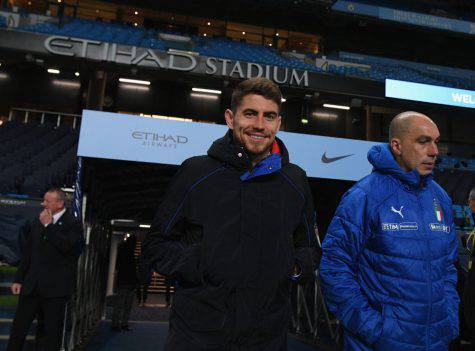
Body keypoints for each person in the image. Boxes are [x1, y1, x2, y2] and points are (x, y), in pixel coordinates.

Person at [144, 77, 319, 351]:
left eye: (269, 116)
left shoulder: (296, 181)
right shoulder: (195, 172)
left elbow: (308, 247)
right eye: (250, 114)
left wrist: (293, 268)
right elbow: (157, 244)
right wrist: (203, 263)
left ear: (278, 124)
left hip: (267, 337)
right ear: (230, 118)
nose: (260, 125)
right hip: (197, 336)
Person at [319, 111, 459, 351]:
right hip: (379, 343)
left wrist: (449, 318)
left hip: (435, 342)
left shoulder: (441, 198)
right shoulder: (364, 196)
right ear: (397, 145)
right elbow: (334, 268)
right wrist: (374, 329)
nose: (434, 151)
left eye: (436, 141)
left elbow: (447, 266)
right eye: (423, 141)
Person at [7, 188, 83, 351]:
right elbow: (28, 252)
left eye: (48, 201)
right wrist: (19, 279)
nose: (43, 203)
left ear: (60, 203)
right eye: (44, 200)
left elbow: (66, 247)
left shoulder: (73, 224)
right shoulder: (38, 220)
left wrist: (49, 226)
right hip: (31, 286)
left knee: (50, 334)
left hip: (55, 291)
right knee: (18, 329)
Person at [111, 234, 137, 332]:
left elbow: (118, 266)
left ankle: (116, 323)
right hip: (129, 281)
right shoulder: (129, 253)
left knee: (120, 304)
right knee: (126, 305)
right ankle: (123, 323)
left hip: (123, 281)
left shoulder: (122, 250)